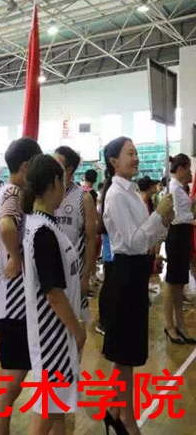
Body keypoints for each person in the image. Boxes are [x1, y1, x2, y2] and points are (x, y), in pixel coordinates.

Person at [101, 137, 173, 434]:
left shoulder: (129, 191)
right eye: (129, 153)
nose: (136, 158)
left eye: (136, 153)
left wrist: (162, 220)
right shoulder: (116, 196)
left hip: (136, 272)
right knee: (125, 354)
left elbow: (145, 235)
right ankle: (125, 417)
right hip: (125, 274)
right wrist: (158, 216)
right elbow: (133, 241)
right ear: (113, 161)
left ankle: (115, 410)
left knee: (126, 354)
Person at [23, 154, 85, 435]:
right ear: (53, 184)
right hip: (52, 334)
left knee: (57, 408)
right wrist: (78, 330)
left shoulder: (44, 225)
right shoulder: (42, 231)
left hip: (58, 333)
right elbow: (54, 294)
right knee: (47, 410)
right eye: (63, 180)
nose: (66, 186)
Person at [0, 137, 42, 435]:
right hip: (13, 301)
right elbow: (7, 225)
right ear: (25, 166)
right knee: (11, 382)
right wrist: (16, 255)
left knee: (13, 380)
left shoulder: (4, 191)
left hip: (11, 298)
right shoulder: (12, 193)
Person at [53, 146, 97, 324]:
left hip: (73, 272)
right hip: (50, 271)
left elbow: (91, 239)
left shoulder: (84, 198)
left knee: (73, 321)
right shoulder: (45, 194)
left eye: (56, 163)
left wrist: (86, 276)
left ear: (68, 169)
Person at [164, 154, 196, 344]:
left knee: (178, 284)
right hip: (176, 236)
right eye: (189, 168)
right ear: (181, 168)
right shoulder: (173, 188)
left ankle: (181, 325)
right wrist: (192, 220)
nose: (190, 172)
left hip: (183, 236)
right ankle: (169, 325)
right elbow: (174, 217)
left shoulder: (180, 188)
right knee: (171, 283)